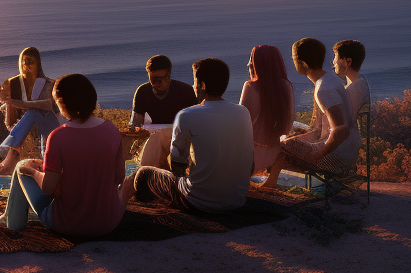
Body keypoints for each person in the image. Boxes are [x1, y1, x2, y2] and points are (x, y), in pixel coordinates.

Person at [0, 73, 127, 237]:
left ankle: (13, 223)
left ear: (61, 102)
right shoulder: (112, 131)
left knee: (21, 167)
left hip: (69, 223)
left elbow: (48, 187)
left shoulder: (59, 136)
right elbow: (118, 177)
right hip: (107, 222)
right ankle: (9, 218)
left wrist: (32, 171)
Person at [130, 58, 254, 213]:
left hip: (197, 202)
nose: (193, 85)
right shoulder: (243, 112)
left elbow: (178, 168)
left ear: (202, 85)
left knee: (143, 173)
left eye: (195, 81)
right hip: (237, 199)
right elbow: (250, 165)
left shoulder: (187, 114)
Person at [278, 38, 362, 177]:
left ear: (303, 64)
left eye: (294, 59)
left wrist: (317, 156)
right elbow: (321, 129)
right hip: (348, 149)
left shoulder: (324, 89)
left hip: (338, 157)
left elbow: (340, 130)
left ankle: (272, 183)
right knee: (287, 137)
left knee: (280, 146)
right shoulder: (329, 79)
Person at [0, 47, 63, 176]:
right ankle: (6, 153)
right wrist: (7, 102)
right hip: (23, 127)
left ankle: (3, 151)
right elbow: (10, 123)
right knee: (34, 111)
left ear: (38, 64)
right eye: (24, 61)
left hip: (50, 126)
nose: (26, 65)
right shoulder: (13, 83)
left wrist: (16, 102)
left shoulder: (48, 84)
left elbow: (47, 105)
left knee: (36, 110)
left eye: (30, 62)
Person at [126, 54, 201, 171]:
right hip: (152, 141)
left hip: (181, 140)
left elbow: (196, 123)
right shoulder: (143, 92)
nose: (157, 83)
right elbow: (136, 123)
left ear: (168, 76)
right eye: (153, 79)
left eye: (161, 78)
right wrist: (136, 130)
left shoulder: (185, 91)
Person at [238, 45, 296, 188]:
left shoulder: (250, 87)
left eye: (252, 60)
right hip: (275, 156)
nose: (249, 64)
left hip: (251, 158)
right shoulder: (287, 86)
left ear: (260, 64)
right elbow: (288, 124)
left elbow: (240, 125)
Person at [333, 39, 370, 119]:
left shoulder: (355, 88)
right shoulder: (359, 83)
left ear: (348, 61)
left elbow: (346, 120)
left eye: (336, 58)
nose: (334, 62)